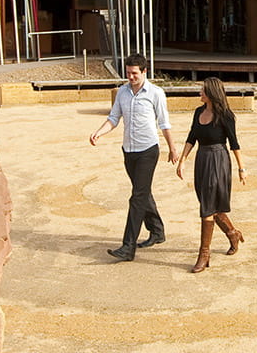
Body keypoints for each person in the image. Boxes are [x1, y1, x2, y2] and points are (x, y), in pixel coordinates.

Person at [88, 54, 175, 261]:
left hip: (148, 150)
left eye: (134, 73)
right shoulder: (122, 93)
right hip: (129, 151)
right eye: (128, 73)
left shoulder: (156, 93)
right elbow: (113, 118)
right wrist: (99, 132)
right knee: (142, 192)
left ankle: (128, 247)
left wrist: (173, 148)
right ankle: (157, 231)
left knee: (137, 197)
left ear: (144, 72)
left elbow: (164, 123)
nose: (131, 77)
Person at [173, 77, 247, 273]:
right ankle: (232, 233)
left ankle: (204, 254)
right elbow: (191, 138)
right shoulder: (198, 112)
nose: (200, 93)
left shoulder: (225, 116)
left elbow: (234, 143)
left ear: (211, 93)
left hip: (218, 160)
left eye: (203, 90)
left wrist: (241, 169)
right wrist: (182, 161)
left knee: (207, 207)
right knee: (209, 205)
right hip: (202, 160)